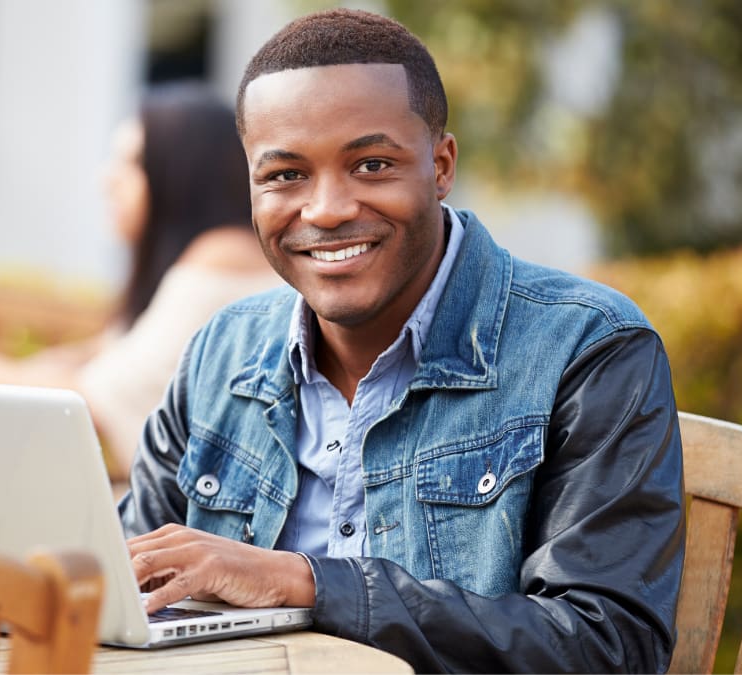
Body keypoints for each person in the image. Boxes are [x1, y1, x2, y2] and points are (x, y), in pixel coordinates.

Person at [119, 10, 684, 673]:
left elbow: (606, 645)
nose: (326, 209)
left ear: (441, 165)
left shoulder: (590, 349)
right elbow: (128, 577)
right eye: (284, 175)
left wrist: (308, 582)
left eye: (372, 164)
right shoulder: (224, 349)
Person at [0, 83, 278, 477]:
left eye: (130, 163)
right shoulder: (222, 260)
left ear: (183, 176)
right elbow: (103, 368)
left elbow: (83, 399)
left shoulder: (218, 260)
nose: (106, 179)